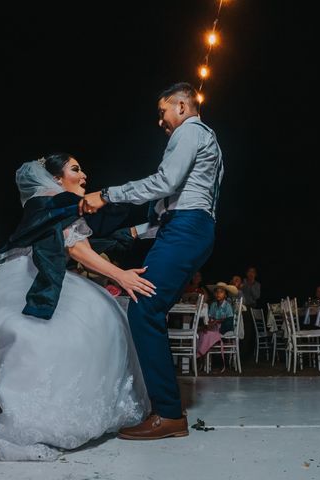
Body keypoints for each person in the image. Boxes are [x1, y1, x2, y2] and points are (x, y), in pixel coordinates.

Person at [0, 155, 154, 461]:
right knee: (60, 329)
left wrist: (124, 263)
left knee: (106, 315)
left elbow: (84, 248)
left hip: (42, 271)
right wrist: (121, 276)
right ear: (56, 179)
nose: (84, 175)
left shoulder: (57, 202)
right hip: (21, 277)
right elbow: (76, 249)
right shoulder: (52, 201)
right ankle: (36, 420)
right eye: (75, 169)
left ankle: (85, 409)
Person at [80, 82, 223, 440]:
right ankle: (167, 407)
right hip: (188, 228)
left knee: (143, 309)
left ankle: (169, 414)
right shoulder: (207, 139)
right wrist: (134, 232)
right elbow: (180, 201)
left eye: (162, 112)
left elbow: (165, 182)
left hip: (187, 228)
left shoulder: (190, 131)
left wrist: (107, 196)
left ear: (180, 105)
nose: (160, 121)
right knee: (147, 308)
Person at [196, 282, 238, 360]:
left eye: (221, 292)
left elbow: (229, 319)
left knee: (207, 334)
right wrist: (209, 323)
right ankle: (199, 353)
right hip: (214, 326)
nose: (218, 294)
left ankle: (200, 353)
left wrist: (216, 321)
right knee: (201, 332)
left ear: (225, 295)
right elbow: (210, 317)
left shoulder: (227, 305)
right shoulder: (213, 305)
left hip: (223, 327)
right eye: (217, 292)